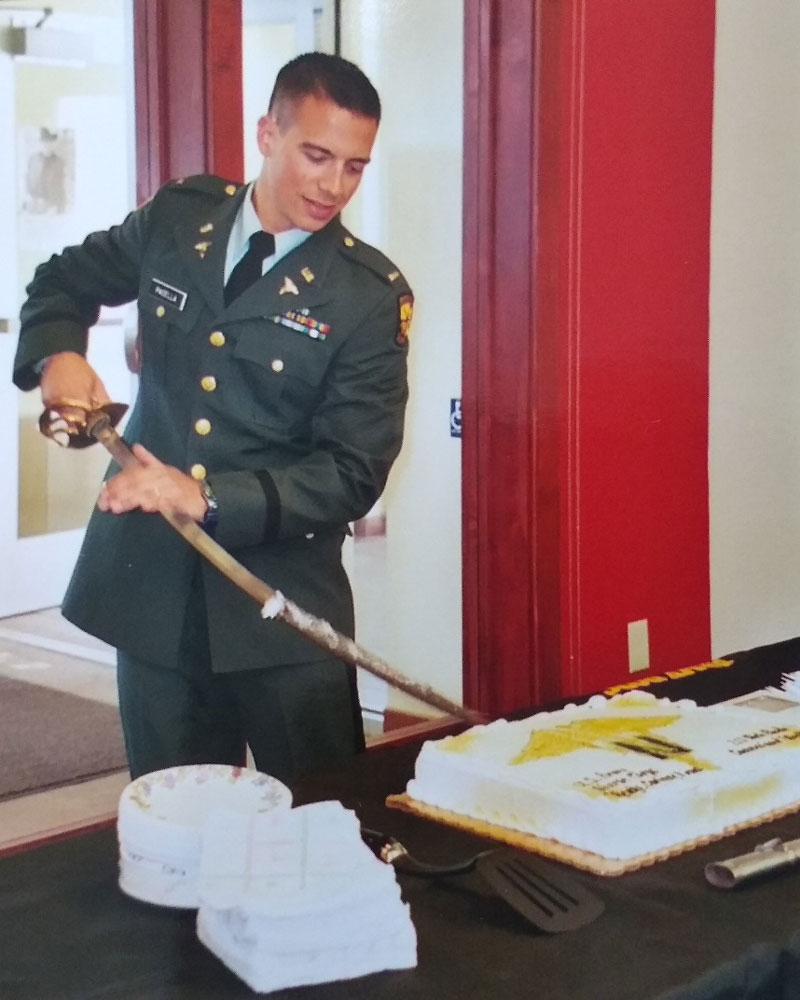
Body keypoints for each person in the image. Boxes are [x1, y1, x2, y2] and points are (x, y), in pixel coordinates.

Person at [12, 52, 413, 784]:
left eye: (354, 167)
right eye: (316, 155)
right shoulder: (179, 217)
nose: (333, 185)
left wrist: (209, 498)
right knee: (175, 833)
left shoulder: (367, 294)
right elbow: (61, 279)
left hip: (282, 613)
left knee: (323, 830)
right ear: (267, 133)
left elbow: (353, 471)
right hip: (152, 597)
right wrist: (56, 358)